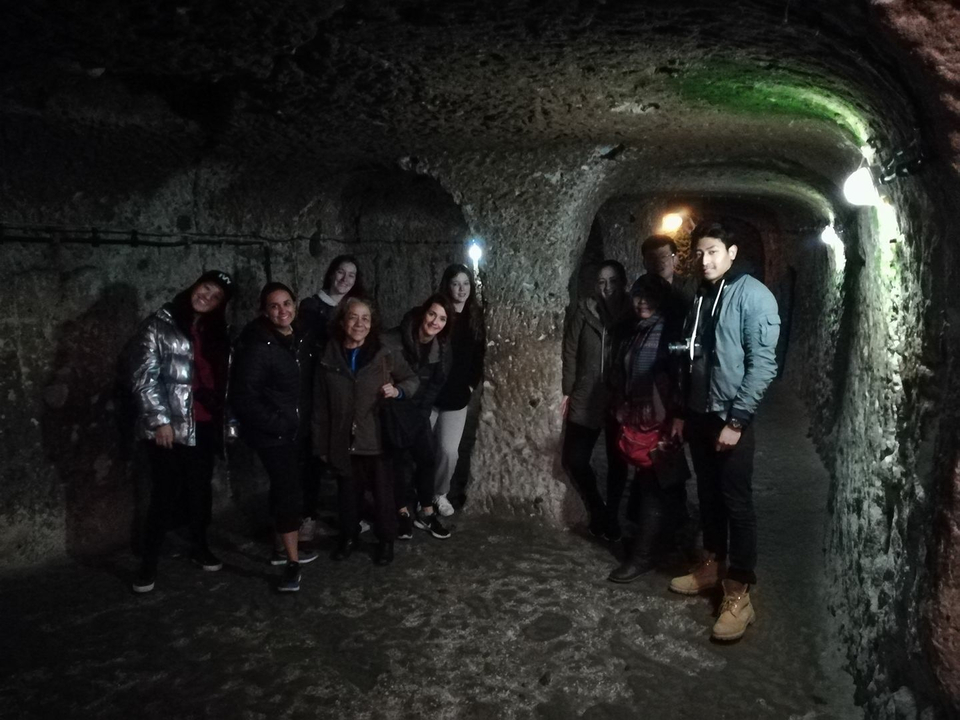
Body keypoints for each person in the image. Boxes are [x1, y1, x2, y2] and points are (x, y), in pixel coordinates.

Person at [669, 220, 780, 642]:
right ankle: (712, 566)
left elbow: (762, 365)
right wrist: (682, 410)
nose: (706, 260)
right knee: (710, 496)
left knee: (737, 502)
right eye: (699, 253)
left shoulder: (754, 297)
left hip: (731, 416)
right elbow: (691, 358)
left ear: (731, 252)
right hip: (699, 412)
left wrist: (737, 421)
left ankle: (739, 592)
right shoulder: (700, 296)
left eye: (713, 251)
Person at [125, 270, 234, 593]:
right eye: (206, 288)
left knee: (200, 491)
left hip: (204, 423)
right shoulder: (159, 324)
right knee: (165, 494)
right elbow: (144, 376)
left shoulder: (216, 331)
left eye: (216, 297)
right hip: (171, 427)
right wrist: (159, 420)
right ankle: (148, 562)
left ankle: (199, 546)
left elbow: (222, 379)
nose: (207, 297)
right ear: (194, 286)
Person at [313, 297, 419, 565]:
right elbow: (320, 406)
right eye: (353, 317)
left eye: (366, 318)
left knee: (384, 497)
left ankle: (386, 541)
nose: (359, 324)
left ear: (372, 324)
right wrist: (320, 446)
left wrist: (398, 390)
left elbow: (412, 379)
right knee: (347, 496)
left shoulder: (384, 353)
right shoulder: (329, 356)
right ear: (342, 320)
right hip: (342, 441)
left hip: (377, 439)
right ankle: (349, 537)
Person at [232, 282, 320, 593]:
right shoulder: (258, 346)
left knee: (286, 489)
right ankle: (291, 562)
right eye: (274, 306)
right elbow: (245, 398)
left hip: (297, 429)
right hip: (274, 433)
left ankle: (279, 546)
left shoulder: (299, 339)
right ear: (264, 311)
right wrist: (279, 422)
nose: (282, 310)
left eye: (286, 304)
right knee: (289, 493)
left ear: (295, 305)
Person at [606, 274, 687, 582]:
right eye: (638, 296)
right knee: (660, 482)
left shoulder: (669, 332)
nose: (642, 302)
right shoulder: (636, 331)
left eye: (649, 297)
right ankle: (671, 538)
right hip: (640, 416)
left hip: (661, 419)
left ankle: (642, 557)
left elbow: (681, 376)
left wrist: (678, 415)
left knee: (654, 485)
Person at [561, 260, 632, 540]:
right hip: (587, 393)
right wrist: (568, 389)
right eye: (602, 282)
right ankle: (598, 509)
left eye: (613, 281)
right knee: (574, 458)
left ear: (623, 282)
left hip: (618, 398)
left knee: (618, 461)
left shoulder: (631, 312)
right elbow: (570, 349)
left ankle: (611, 516)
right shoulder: (584, 310)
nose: (607, 288)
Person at [296, 255, 364, 542]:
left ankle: (349, 514)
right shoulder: (311, 307)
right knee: (315, 452)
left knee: (349, 453)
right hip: (319, 385)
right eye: (340, 272)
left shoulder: (354, 308)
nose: (345, 279)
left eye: (351, 275)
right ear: (330, 273)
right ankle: (307, 518)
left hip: (347, 388)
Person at [382, 294, 455, 540]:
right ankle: (401, 512)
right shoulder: (396, 339)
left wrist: (422, 412)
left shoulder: (442, 347)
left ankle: (426, 511)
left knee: (427, 458)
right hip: (395, 408)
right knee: (399, 461)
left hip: (419, 409)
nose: (435, 321)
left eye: (442, 319)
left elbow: (436, 383)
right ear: (424, 312)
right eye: (432, 314)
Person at [430, 264, 486, 517]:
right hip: (431, 393)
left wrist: (470, 385)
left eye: (466, 283)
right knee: (420, 447)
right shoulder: (438, 314)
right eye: (455, 283)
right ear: (447, 285)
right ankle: (418, 495)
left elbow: (479, 356)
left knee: (449, 451)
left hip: (456, 397)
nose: (461, 289)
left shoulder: (475, 317)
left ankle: (438, 494)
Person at [641, 235, 697, 331]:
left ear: (675, 259)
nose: (658, 262)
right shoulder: (639, 293)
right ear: (645, 263)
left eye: (664, 256)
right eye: (652, 258)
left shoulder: (689, 288)